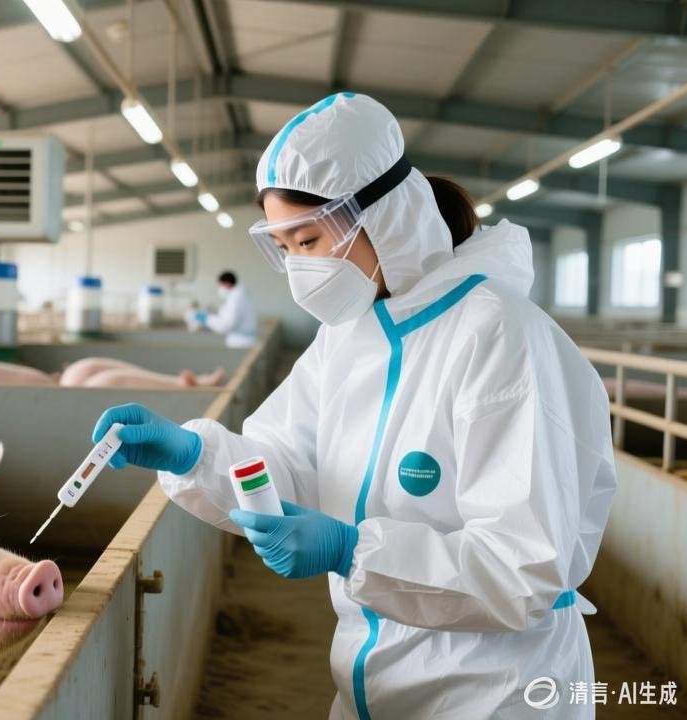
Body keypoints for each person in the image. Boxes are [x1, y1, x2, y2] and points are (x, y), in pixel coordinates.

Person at [92, 94, 615, 719]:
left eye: (308, 239)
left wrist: (351, 550)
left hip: (493, 688)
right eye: (284, 248)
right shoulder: (349, 332)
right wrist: (194, 455)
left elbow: (521, 568)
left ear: (384, 219)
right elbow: (283, 463)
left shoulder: (498, 334)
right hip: (373, 673)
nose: (297, 268)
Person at [193, 271, 257, 348]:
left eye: (220, 285)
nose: (220, 289)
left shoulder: (236, 299)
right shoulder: (239, 296)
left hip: (240, 343)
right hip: (241, 340)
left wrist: (207, 319)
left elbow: (226, 325)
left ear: (227, 283)